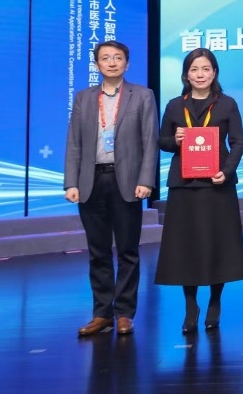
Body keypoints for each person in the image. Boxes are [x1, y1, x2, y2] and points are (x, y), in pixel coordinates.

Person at [64, 41, 159, 337]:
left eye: (118, 58)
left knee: (128, 250)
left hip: (127, 181)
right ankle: (102, 314)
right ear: (97, 65)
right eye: (105, 58)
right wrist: (71, 182)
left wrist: (146, 180)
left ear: (127, 64)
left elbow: (150, 142)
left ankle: (124, 314)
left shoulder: (142, 95)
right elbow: (74, 142)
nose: (112, 62)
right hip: (91, 181)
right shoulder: (83, 97)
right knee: (98, 251)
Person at [153, 48, 243, 334]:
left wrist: (227, 171)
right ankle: (190, 305)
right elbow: (162, 141)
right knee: (186, 246)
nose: (200, 74)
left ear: (214, 72)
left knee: (218, 243)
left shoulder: (227, 104)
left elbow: (238, 142)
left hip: (217, 184)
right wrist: (175, 139)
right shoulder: (174, 105)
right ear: (186, 75)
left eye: (206, 69)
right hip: (184, 185)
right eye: (194, 69)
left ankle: (215, 301)